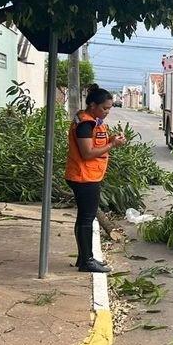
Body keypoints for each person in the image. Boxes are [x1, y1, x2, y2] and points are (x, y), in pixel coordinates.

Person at [65, 84, 126, 273]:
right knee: (86, 219)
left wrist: (111, 139)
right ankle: (87, 261)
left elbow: (95, 143)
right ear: (93, 105)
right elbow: (87, 153)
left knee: (84, 218)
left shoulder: (91, 121)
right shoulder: (85, 124)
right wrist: (112, 145)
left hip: (86, 175)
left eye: (109, 109)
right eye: (104, 108)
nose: (107, 112)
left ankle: (84, 258)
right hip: (84, 177)